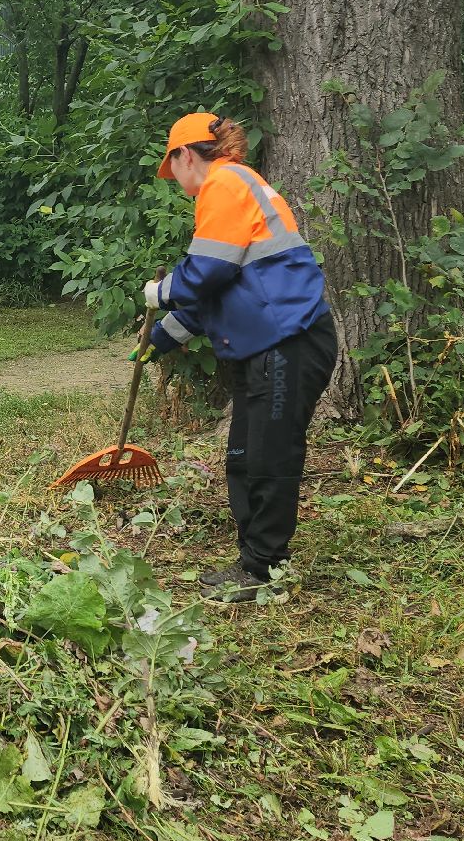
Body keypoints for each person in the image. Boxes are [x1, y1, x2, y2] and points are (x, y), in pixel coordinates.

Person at [141, 113, 337, 603]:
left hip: (288, 341)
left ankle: (264, 570)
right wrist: (162, 337)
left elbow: (206, 271)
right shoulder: (232, 188)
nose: (174, 180)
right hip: (268, 343)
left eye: (172, 167)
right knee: (244, 456)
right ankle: (254, 559)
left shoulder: (225, 183)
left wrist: (159, 293)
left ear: (185, 155)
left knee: (268, 457)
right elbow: (219, 291)